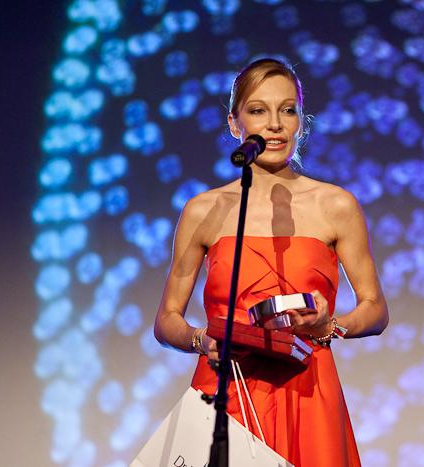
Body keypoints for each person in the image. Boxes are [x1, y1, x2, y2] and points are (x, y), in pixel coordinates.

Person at [154, 58, 389, 467]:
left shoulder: (335, 205)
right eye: (259, 110)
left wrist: (330, 326)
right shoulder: (204, 210)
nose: (276, 125)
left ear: (301, 121)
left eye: (288, 110)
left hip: (308, 392)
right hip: (226, 390)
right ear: (234, 124)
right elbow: (166, 319)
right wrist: (201, 340)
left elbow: (376, 308)